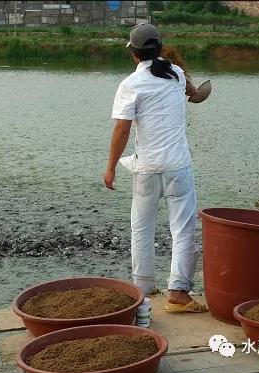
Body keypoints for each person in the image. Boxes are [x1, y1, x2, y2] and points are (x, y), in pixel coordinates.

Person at [103, 23, 207, 313]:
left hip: (146, 168)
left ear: (134, 54)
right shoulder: (177, 74)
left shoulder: (130, 85)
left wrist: (110, 167)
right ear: (159, 49)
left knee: (141, 228)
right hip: (177, 166)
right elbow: (193, 92)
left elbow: (122, 130)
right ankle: (178, 291)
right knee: (183, 229)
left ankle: (143, 286)